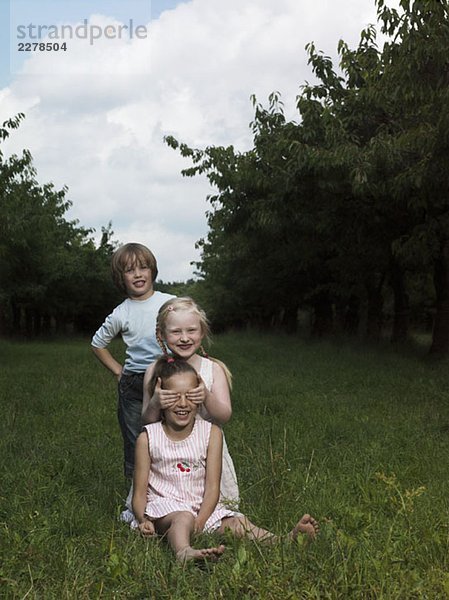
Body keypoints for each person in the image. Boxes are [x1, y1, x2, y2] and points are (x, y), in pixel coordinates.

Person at [133, 358, 319, 563]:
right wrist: (143, 520)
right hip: (165, 509)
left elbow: (213, 487)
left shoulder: (211, 433)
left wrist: (201, 522)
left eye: (190, 396)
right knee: (182, 517)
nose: (183, 404)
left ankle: (283, 541)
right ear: (160, 398)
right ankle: (183, 552)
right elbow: (140, 491)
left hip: (202, 507)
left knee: (239, 523)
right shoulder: (148, 437)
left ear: (200, 395)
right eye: (174, 397)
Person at [141, 297, 238, 509]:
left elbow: (224, 416)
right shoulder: (153, 370)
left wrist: (206, 396)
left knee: (216, 508)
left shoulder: (213, 369)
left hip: (206, 453)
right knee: (165, 506)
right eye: (176, 332)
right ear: (162, 335)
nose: (184, 338)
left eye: (191, 330)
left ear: (202, 332)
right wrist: (155, 403)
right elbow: (146, 421)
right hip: (165, 456)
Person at [91, 242, 174, 479]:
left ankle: (172, 484)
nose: (138, 274)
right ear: (121, 278)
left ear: (152, 271)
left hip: (169, 377)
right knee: (137, 438)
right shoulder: (121, 313)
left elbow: (187, 330)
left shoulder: (169, 303)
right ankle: (136, 496)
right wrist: (119, 371)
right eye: (129, 270)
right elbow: (97, 344)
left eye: (143, 268)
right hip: (134, 384)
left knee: (171, 432)